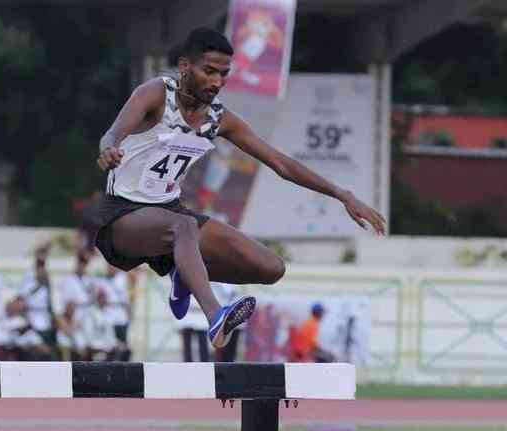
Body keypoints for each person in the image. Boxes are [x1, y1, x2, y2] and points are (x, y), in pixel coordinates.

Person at [95, 28, 385, 350]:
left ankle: (183, 271)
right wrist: (109, 147)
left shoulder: (220, 119)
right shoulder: (156, 94)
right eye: (209, 71)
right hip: (123, 215)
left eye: (224, 74)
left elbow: (281, 164)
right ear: (184, 66)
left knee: (270, 267)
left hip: (170, 214)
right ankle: (215, 316)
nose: (217, 82)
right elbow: (113, 132)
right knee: (185, 226)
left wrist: (342, 194)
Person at [21, 248, 58, 357]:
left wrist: (52, 314)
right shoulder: (29, 275)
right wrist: (38, 283)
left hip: (45, 315)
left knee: (48, 345)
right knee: (36, 345)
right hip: (32, 314)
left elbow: (49, 298)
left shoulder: (47, 275)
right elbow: (24, 295)